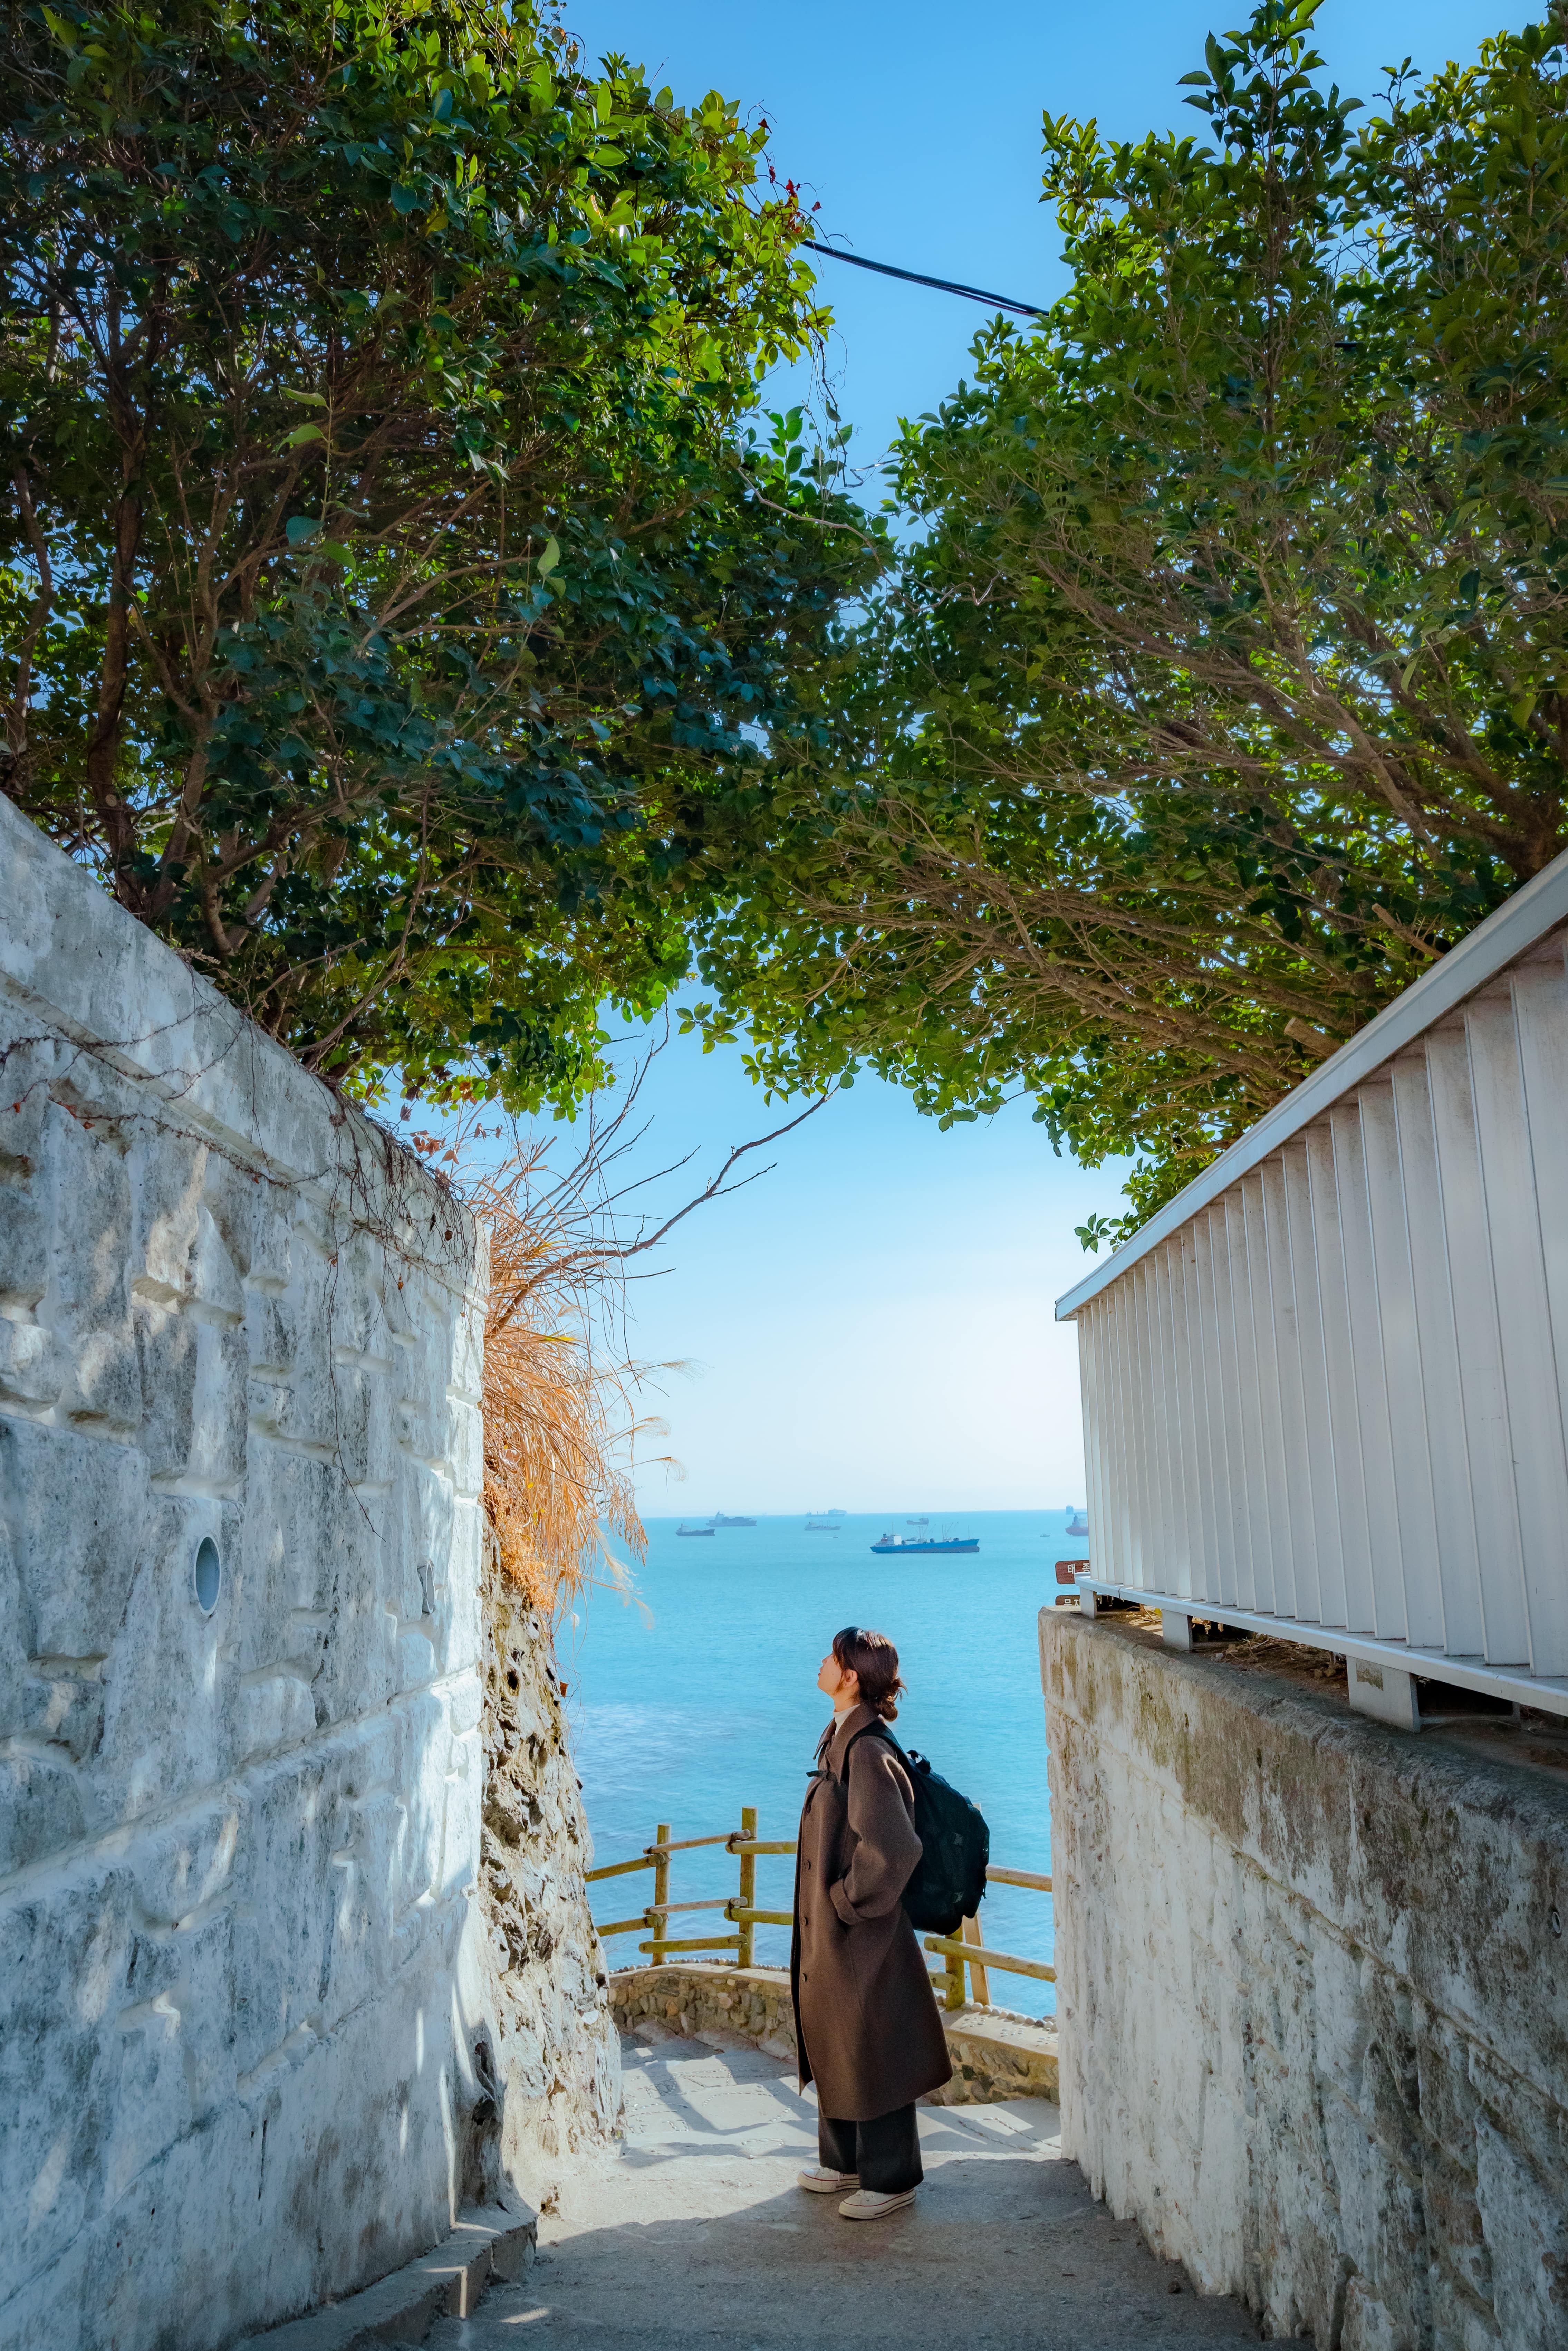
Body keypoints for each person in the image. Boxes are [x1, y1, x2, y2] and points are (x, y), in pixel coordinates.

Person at [790, 1625, 952, 2219]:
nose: (822, 1664)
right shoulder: (841, 1735)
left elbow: (892, 1848)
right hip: (837, 1928)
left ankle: (891, 2178)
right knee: (838, 2032)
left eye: (831, 1658)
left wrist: (845, 1901)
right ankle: (845, 2162)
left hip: (863, 1928)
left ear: (851, 1675)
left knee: (872, 2043)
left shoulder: (866, 1750)